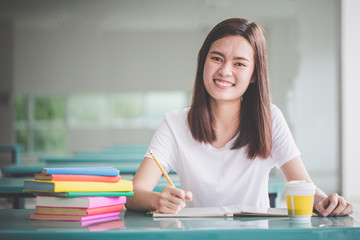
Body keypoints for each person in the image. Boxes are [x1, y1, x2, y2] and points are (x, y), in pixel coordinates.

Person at [125, 18, 353, 217]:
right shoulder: (175, 123)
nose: (225, 71)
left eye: (239, 64)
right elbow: (133, 193)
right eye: (216, 58)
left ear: (254, 74)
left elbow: (303, 185)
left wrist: (326, 202)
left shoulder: (270, 118)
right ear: (203, 62)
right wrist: (158, 200)